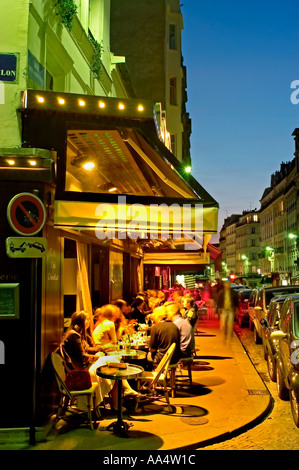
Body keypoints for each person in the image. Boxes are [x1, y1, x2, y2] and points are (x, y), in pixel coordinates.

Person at [61, 310, 121, 410]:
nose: (89, 321)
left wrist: (100, 349)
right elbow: (83, 357)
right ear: (80, 321)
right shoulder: (74, 335)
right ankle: (118, 402)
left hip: (83, 366)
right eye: (87, 319)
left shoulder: (77, 333)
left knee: (115, 365)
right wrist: (98, 356)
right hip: (81, 369)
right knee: (115, 361)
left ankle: (118, 401)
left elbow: (86, 349)